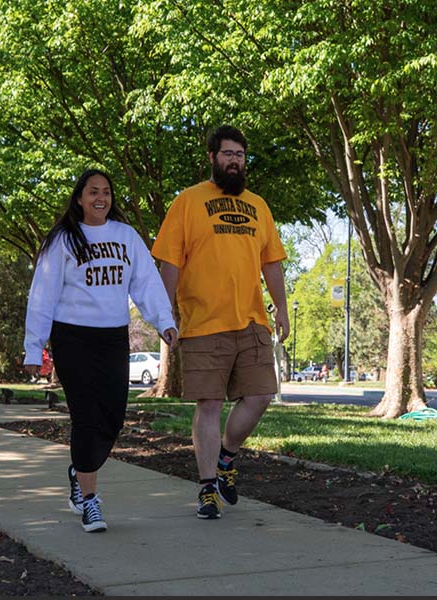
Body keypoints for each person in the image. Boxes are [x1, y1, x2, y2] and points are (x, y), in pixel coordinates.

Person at [23, 168, 177, 533]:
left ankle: (80, 471)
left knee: (113, 417)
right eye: (93, 192)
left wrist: (164, 320)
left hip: (112, 336)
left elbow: (146, 283)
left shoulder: (126, 236)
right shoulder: (63, 239)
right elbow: (42, 295)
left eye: (106, 192)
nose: (100, 198)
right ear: (79, 198)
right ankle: (90, 500)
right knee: (87, 417)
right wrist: (34, 347)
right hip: (71, 336)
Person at [152, 125, 290, 520]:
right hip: (203, 322)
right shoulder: (188, 202)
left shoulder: (258, 206)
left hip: (251, 320)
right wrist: (167, 315)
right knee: (209, 404)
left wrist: (280, 308)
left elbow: (271, 262)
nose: (235, 161)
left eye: (240, 155)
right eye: (228, 154)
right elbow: (170, 262)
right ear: (212, 158)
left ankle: (227, 458)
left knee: (261, 396)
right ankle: (207, 487)